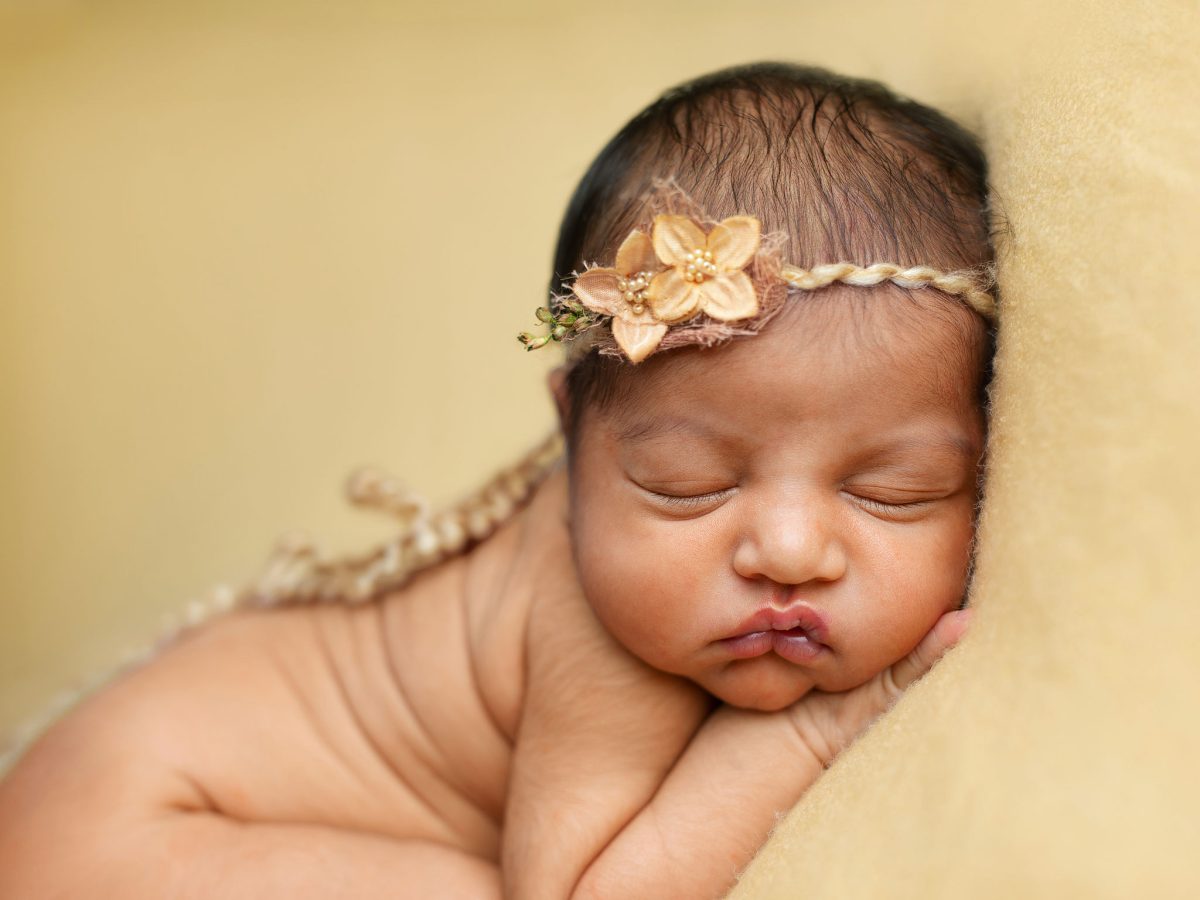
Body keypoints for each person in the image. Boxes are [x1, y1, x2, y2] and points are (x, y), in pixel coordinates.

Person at [0, 61, 997, 898]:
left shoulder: (678, 578)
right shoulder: (601, 625)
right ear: (576, 444)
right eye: (686, 484)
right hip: (133, 829)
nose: (786, 549)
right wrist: (818, 733)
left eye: (894, 491)